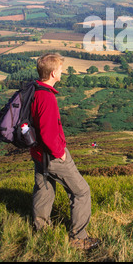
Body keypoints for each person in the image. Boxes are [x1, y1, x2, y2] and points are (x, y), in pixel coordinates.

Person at [30, 52, 100, 251]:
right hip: (53, 156)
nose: (62, 71)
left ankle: (41, 230)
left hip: (37, 153)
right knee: (81, 192)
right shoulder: (47, 98)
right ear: (53, 73)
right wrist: (60, 153)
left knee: (44, 189)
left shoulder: (34, 90)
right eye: (60, 69)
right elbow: (48, 133)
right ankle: (78, 238)